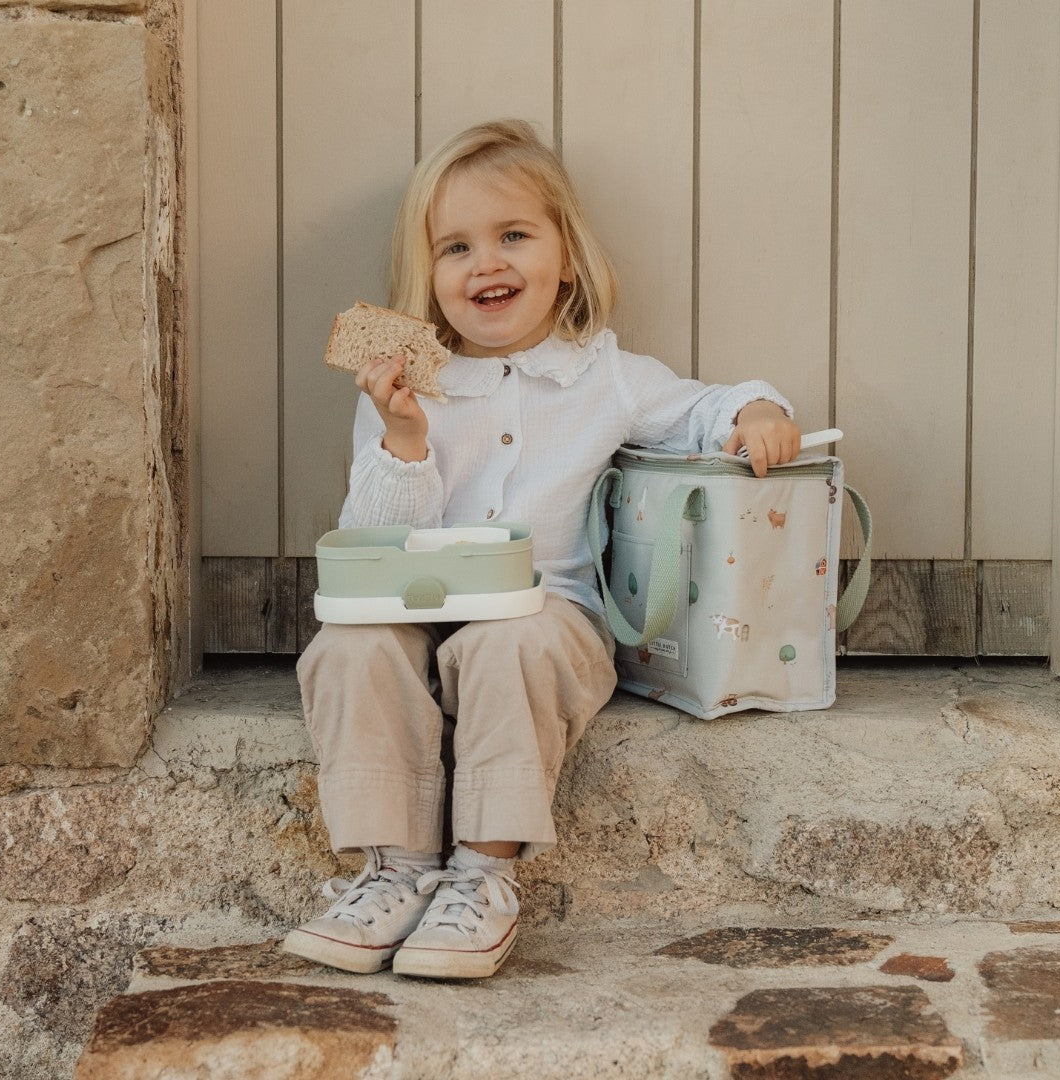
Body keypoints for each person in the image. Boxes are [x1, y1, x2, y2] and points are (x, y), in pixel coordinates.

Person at [283, 119, 801, 980]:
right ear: (430, 278)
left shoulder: (606, 375)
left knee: (506, 640)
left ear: (566, 257)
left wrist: (754, 413)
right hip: (416, 611)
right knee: (349, 647)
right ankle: (397, 872)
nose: (486, 263)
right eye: (455, 247)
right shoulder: (406, 387)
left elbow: (706, 406)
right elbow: (372, 533)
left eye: (513, 236)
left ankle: (482, 876)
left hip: (546, 617)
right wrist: (406, 435)